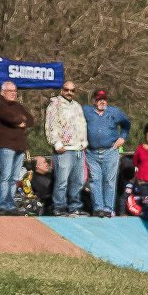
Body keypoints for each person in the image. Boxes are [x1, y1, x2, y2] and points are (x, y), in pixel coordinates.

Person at [83, 88, 129, 218]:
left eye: (104, 99)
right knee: (95, 180)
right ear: (94, 101)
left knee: (109, 180)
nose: (102, 102)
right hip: (92, 152)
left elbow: (126, 124)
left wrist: (123, 137)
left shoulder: (114, 112)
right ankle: (98, 208)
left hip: (110, 151)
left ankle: (108, 209)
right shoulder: (86, 111)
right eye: (99, 99)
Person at [0, 81, 35, 216]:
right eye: (10, 91)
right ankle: (2, 203)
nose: (13, 93)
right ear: (3, 93)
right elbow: (11, 118)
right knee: (5, 176)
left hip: (19, 147)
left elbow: (31, 120)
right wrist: (19, 120)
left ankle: (10, 202)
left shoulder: (19, 106)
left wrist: (21, 120)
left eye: (15, 91)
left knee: (15, 178)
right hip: (5, 146)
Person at [44, 80, 88, 216]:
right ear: (62, 90)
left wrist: (84, 142)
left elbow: (82, 125)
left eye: (72, 90)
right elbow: (50, 125)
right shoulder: (55, 105)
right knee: (62, 180)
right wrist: (56, 143)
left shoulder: (77, 106)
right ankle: (59, 206)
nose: (69, 93)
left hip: (78, 148)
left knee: (78, 181)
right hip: (64, 149)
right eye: (66, 90)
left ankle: (74, 206)